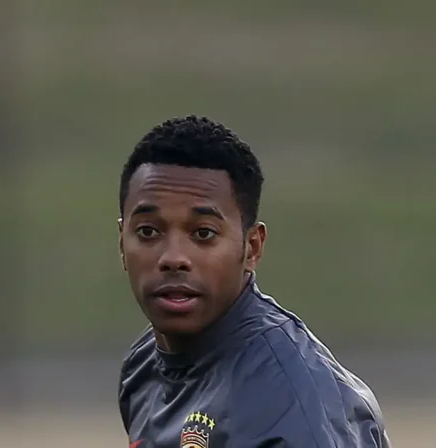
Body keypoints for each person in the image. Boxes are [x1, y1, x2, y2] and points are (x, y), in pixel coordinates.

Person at [117, 116, 389, 447]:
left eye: (203, 233)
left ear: (252, 248)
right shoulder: (143, 366)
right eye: (148, 231)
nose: (174, 257)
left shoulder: (293, 402)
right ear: (121, 242)